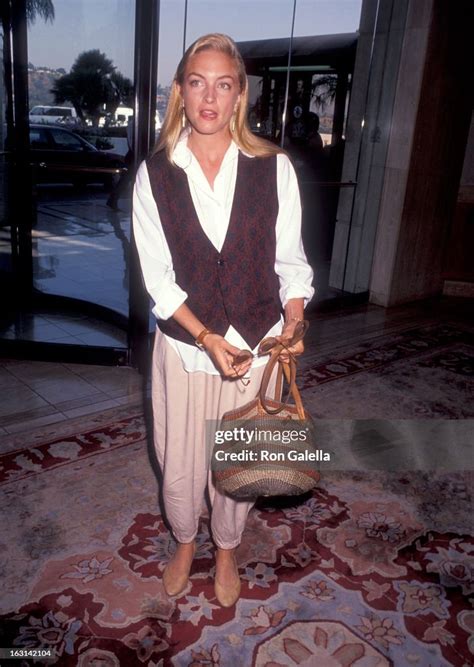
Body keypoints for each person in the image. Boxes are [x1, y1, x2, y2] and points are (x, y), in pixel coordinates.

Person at [132, 33, 314, 608]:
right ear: (180, 94)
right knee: (180, 458)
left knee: (240, 457)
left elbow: (290, 259)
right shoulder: (155, 173)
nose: (209, 97)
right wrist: (206, 336)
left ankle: (228, 546)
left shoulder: (273, 167)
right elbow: (157, 279)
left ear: (239, 97)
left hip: (256, 343)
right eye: (197, 83)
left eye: (223, 84)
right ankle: (186, 542)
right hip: (188, 346)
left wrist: (294, 315)